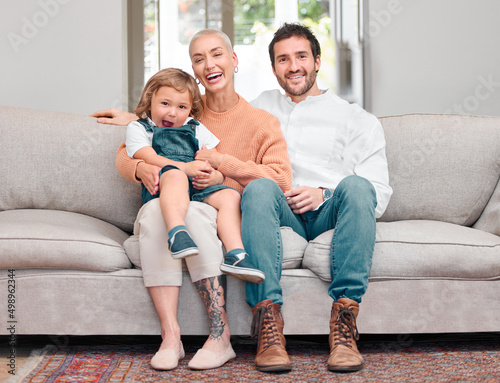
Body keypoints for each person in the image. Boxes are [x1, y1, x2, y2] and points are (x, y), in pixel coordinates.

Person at [91, 29, 292, 371]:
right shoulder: (182, 111)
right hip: (169, 197)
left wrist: (221, 172)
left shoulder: (260, 121)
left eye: (216, 54)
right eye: (199, 59)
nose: (209, 64)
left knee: (196, 215)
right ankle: (171, 336)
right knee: (155, 210)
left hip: (212, 204)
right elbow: (130, 154)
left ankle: (219, 334)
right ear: (194, 72)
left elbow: (280, 180)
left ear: (234, 60)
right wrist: (141, 167)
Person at [241, 22, 392, 373]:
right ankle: (268, 325)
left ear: (317, 61)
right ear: (274, 67)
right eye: (283, 59)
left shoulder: (355, 117)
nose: (293, 66)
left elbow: (378, 194)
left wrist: (324, 192)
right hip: (281, 210)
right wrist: (142, 120)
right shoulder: (260, 107)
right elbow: (203, 120)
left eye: (301, 56)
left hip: (330, 212)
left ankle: (344, 320)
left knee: (357, 186)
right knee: (259, 186)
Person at [126, 67, 265, 284]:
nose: (173, 113)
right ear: (150, 100)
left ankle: (236, 254)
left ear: (191, 109)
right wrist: (185, 167)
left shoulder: (196, 128)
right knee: (175, 175)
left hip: (197, 188)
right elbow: (148, 156)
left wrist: (216, 178)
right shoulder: (140, 128)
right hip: (164, 189)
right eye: (165, 104)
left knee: (231, 197)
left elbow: (214, 159)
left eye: (182, 107)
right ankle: (177, 233)